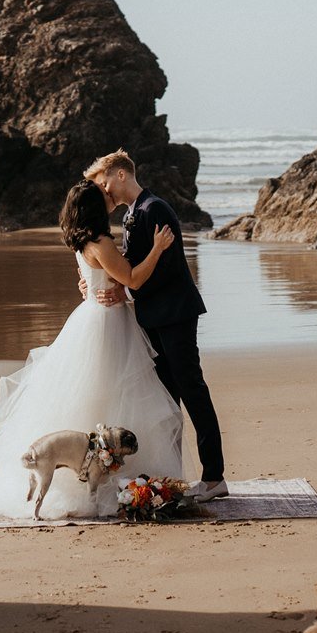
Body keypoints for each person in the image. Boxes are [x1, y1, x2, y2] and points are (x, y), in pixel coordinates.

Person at [0, 181, 186, 522]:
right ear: (93, 209)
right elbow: (133, 278)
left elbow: (98, 278)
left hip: (90, 318)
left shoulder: (82, 241)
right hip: (107, 325)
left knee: (92, 392)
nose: (109, 202)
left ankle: (92, 471)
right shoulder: (100, 243)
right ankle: (107, 479)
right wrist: (158, 248)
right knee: (111, 391)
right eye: (103, 200)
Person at [85, 150, 228, 503]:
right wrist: (116, 286)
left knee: (192, 389)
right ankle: (174, 475)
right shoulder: (135, 213)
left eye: (105, 183)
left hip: (175, 314)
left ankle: (214, 477)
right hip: (154, 317)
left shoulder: (155, 209)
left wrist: (126, 289)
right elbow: (133, 267)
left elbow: (163, 269)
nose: (106, 192)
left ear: (121, 175)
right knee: (166, 400)